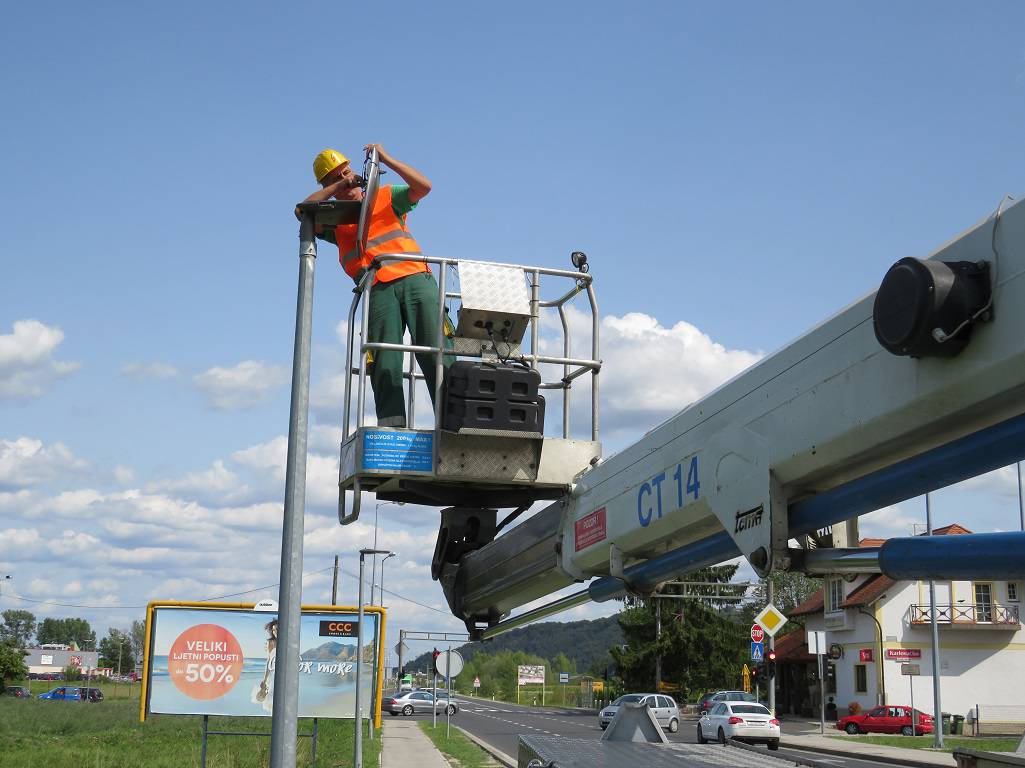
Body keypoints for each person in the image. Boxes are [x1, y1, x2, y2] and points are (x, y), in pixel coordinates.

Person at [301, 144, 452, 428]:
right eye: (335, 178)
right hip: (377, 289)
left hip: (415, 279)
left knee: (438, 353)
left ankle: (453, 425)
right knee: (384, 363)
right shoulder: (336, 219)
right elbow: (302, 212)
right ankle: (392, 429)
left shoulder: (385, 194)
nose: (346, 179)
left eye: (347, 172)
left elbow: (424, 186)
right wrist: (338, 189)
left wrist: (387, 158)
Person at [253, 618, 277, 708]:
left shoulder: (287, 641)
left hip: (284, 673)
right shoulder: (271, 642)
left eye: (277, 629)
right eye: (273, 630)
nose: (275, 632)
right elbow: (268, 660)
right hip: (273, 672)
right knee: (272, 695)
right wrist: (265, 679)